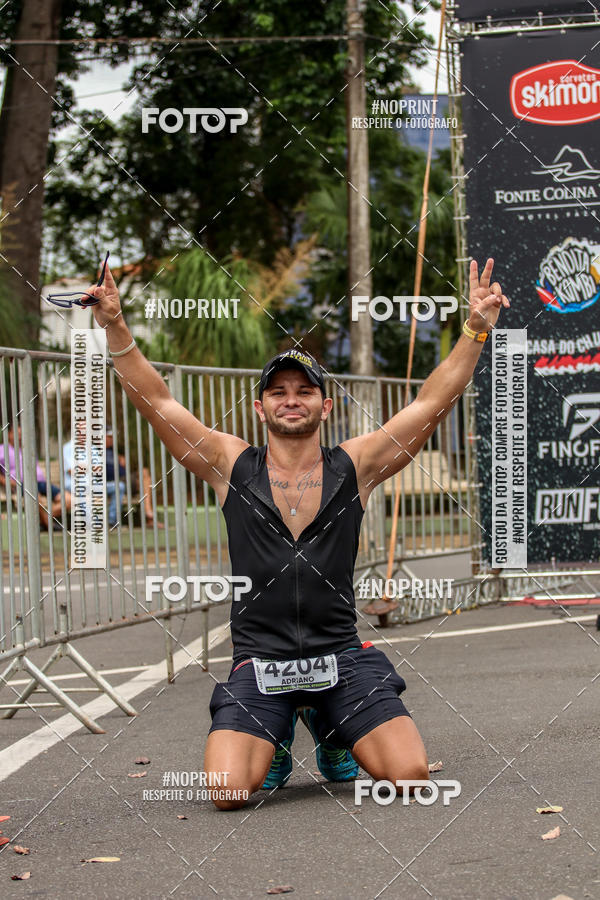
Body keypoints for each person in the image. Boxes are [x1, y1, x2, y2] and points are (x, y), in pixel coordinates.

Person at [87, 257, 509, 809]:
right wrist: (115, 325)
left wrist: (475, 329)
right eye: (279, 391)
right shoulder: (229, 464)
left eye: (305, 390)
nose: (291, 399)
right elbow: (159, 402)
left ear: (325, 405)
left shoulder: (355, 465)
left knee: (408, 777)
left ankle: (331, 730)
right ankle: (279, 730)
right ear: (260, 407)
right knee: (228, 791)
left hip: (340, 656)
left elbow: (431, 402)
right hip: (261, 662)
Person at [0, 420, 71, 529]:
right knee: (34, 495)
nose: (19, 437)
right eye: (16, 434)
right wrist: (6, 481)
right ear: (9, 434)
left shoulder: (28, 449)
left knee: (69, 500)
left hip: (41, 483)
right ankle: (50, 525)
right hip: (21, 484)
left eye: (21, 434)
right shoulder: (2, 450)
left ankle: (44, 520)